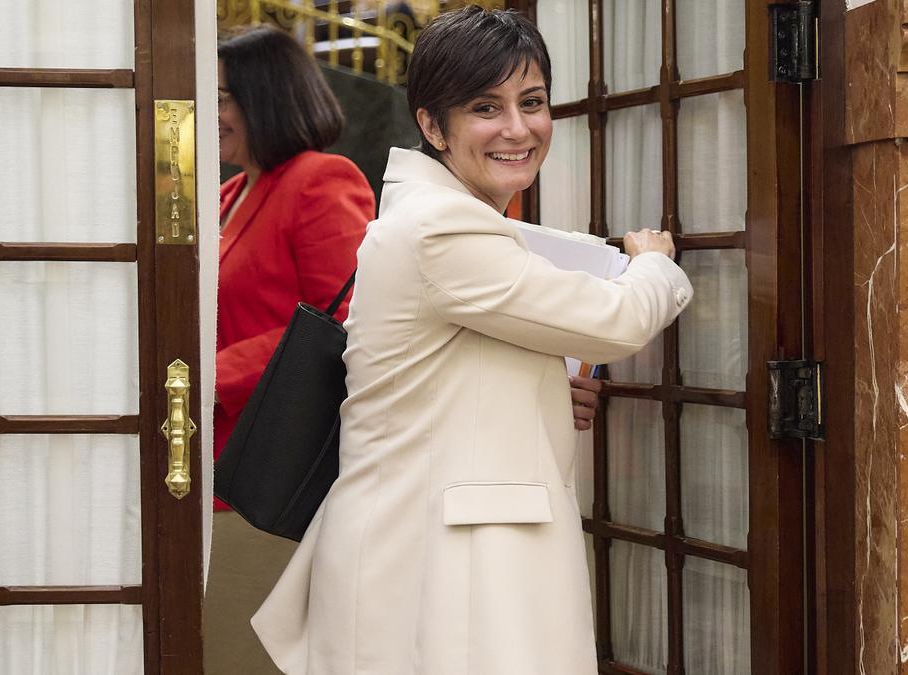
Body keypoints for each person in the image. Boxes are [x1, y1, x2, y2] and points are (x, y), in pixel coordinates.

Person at [251, 7, 693, 674]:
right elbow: (618, 318)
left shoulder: (441, 219)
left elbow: (443, 366)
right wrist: (655, 262)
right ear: (432, 124)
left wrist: (540, 388)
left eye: (533, 102)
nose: (518, 129)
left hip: (443, 559)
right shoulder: (442, 229)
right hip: (441, 571)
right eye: (487, 107)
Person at [208, 26, 376, 673]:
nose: (210, 110)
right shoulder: (227, 193)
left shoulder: (319, 180)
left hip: (278, 473)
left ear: (264, 98)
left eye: (222, 96)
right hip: (218, 460)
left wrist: (208, 373)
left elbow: (347, 322)